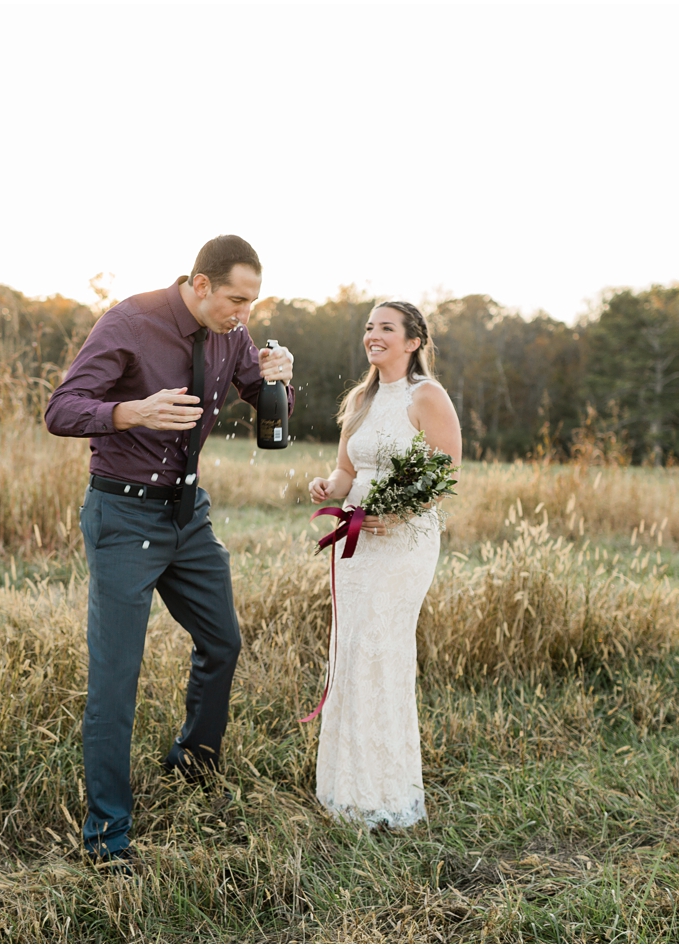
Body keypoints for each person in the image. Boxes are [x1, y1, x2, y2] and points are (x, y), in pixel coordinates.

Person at [43, 236, 294, 865]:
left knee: (223, 641)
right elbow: (62, 409)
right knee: (115, 679)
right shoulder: (130, 321)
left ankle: (194, 764)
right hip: (123, 516)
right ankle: (108, 836)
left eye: (253, 302)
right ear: (201, 284)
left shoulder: (232, 334)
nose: (245, 313)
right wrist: (134, 411)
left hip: (188, 516)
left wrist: (278, 382)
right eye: (237, 298)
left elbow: (264, 414)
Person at [305, 301, 462, 828]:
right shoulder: (360, 398)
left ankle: (387, 796)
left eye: (386, 329)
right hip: (357, 544)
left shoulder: (427, 396)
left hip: (401, 546)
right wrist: (330, 487)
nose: (373, 336)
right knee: (350, 652)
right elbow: (348, 469)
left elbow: (445, 471)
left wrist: (396, 515)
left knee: (381, 651)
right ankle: (345, 790)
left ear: (413, 341)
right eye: (370, 328)